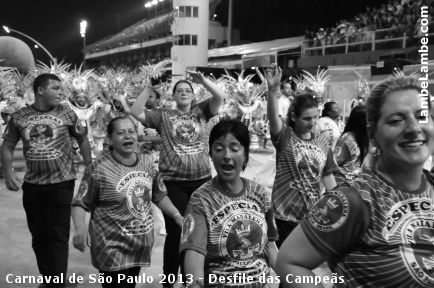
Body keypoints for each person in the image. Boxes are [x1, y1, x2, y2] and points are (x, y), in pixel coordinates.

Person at [276, 74, 434, 287]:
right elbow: (289, 262)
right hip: (288, 211)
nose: (414, 128)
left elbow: (327, 172)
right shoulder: (354, 201)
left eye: (423, 115)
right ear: (374, 134)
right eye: (396, 120)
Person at [130, 71, 224, 285]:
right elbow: (135, 111)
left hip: (201, 182)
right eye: (179, 91)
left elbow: (219, 97)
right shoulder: (163, 115)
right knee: (177, 232)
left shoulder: (202, 111)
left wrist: (203, 82)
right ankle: (170, 280)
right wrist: (149, 87)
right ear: (173, 96)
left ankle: (192, 278)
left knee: (201, 233)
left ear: (193, 95)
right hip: (173, 183)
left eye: (187, 90)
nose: (183, 93)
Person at [71, 115, 184, 288]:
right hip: (110, 243)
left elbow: (159, 195)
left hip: (139, 242)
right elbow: (80, 202)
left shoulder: (146, 163)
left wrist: (177, 216)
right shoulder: (99, 168)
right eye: (121, 133)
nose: (128, 136)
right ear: (110, 138)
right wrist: (79, 229)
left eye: (131, 131)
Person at [1, 73, 92, 287]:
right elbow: (7, 145)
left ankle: (58, 282)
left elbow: (83, 138)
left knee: (58, 234)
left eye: (61, 89)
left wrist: (90, 165)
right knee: (39, 235)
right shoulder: (19, 117)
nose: (61, 93)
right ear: (40, 90)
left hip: (62, 183)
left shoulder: (68, 113)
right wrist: (8, 172)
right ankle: (48, 279)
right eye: (56, 88)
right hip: (33, 185)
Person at [181, 119, 279, 288]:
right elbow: (194, 254)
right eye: (219, 148)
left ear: (246, 154)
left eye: (234, 148)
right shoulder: (201, 200)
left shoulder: (260, 194)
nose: (227, 155)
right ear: (211, 154)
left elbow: (270, 245)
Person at [265, 64, 338, 248]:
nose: (313, 123)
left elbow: (328, 177)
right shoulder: (285, 136)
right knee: (286, 269)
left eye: (315, 117)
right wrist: (273, 89)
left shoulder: (322, 142)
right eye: (307, 118)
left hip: (311, 217)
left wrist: (337, 207)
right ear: (294, 117)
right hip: (284, 215)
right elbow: (273, 117)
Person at [333, 105, 369, 184]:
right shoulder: (346, 140)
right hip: (344, 185)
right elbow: (334, 165)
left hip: (357, 183)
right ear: (361, 123)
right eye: (368, 121)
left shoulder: (363, 138)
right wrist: (350, 177)